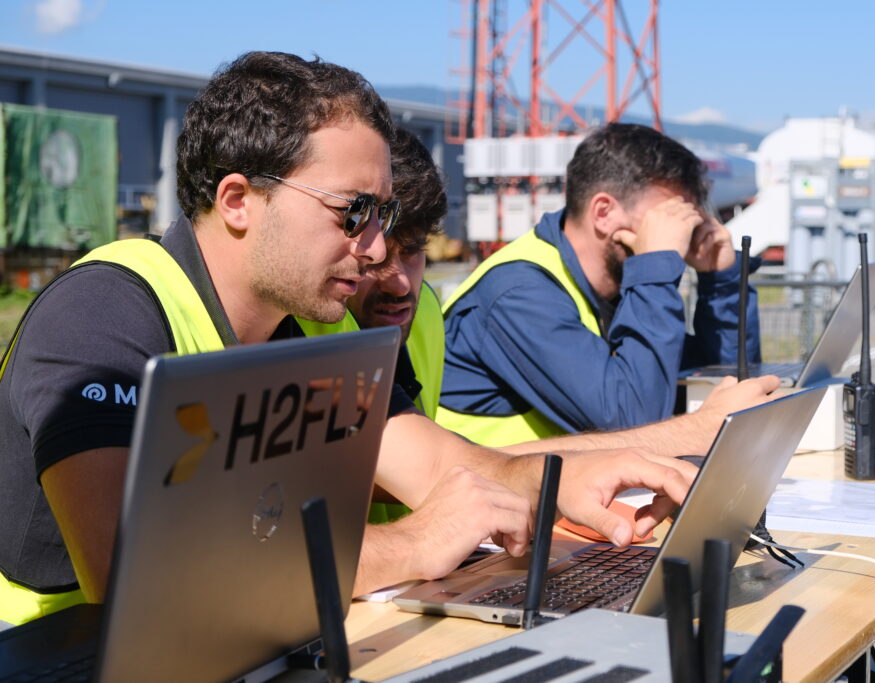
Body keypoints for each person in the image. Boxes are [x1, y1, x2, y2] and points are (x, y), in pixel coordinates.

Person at [0, 52, 703, 628]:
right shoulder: (102, 313)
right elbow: (136, 572)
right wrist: (411, 544)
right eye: (354, 213)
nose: (374, 250)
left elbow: (438, 468)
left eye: (387, 215)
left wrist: (567, 481)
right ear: (239, 200)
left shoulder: (310, 325)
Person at [438, 123, 765, 448]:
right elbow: (633, 424)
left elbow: (724, 377)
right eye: (666, 219)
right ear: (604, 212)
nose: (680, 235)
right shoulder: (518, 293)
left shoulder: (616, 288)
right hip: (478, 492)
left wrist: (721, 279)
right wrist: (653, 268)